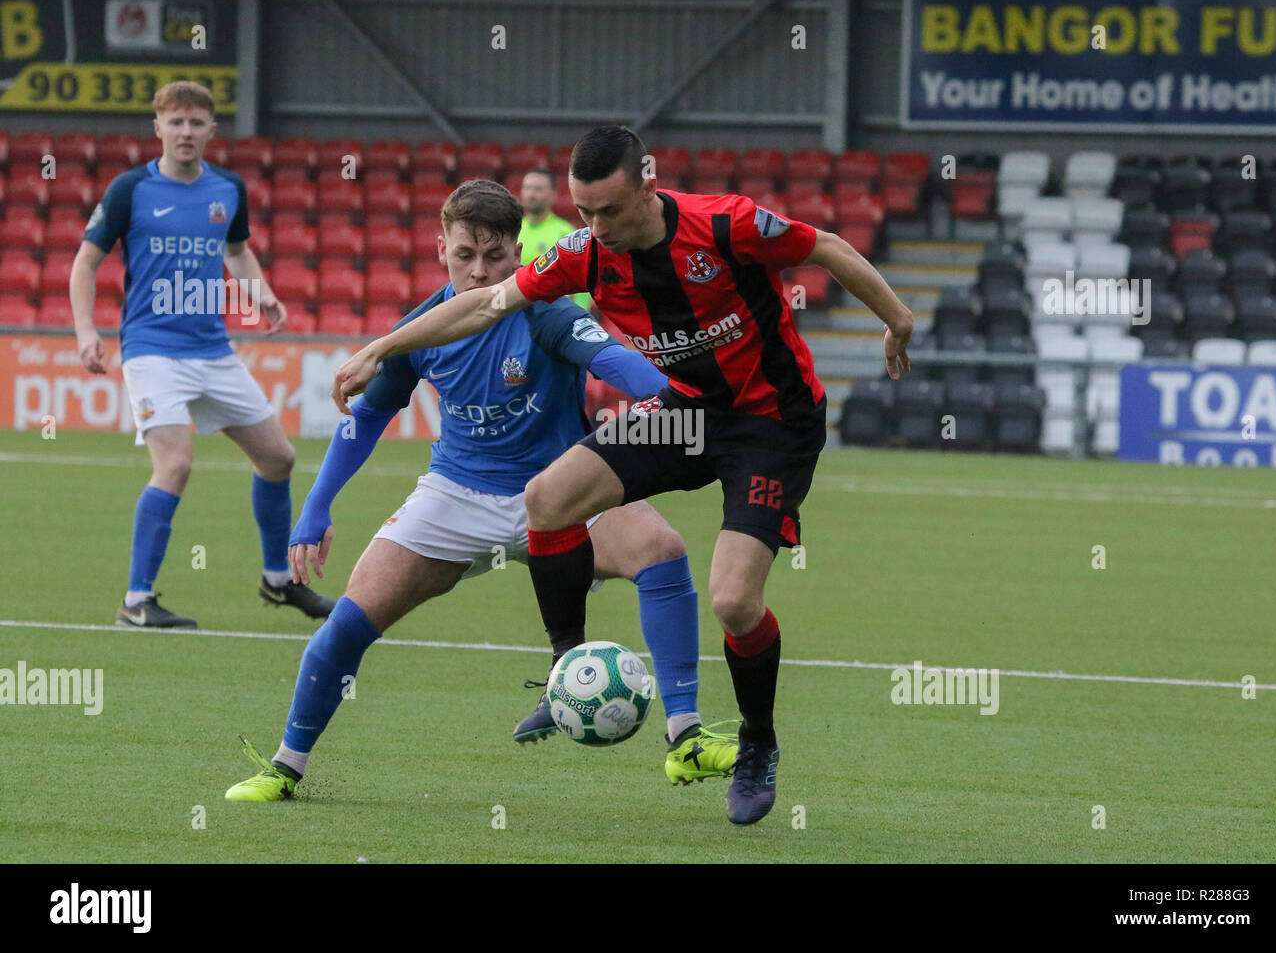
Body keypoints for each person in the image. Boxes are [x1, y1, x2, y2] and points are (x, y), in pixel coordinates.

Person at [331, 126, 914, 826]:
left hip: (770, 424)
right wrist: (382, 346)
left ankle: (757, 741)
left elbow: (826, 247)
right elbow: (486, 304)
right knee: (548, 497)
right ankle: (565, 668)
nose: (595, 227)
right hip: (687, 414)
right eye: (583, 213)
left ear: (649, 181)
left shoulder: (723, 225)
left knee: (733, 602)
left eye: (608, 210)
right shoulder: (584, 255)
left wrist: (898, 321)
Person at [225, 180, 736, 802]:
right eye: (465, 255)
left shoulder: (547, 312)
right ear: (441, 248)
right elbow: (365, 419)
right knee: (349, 621)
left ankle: (684, 739)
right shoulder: (422, 329)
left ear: (518, 254)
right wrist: (316, 505)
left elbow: (620, 367)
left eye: (495, 257)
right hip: (455, 496)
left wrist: (673, 397)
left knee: (661, 550)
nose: (479, 271)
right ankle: (285, 767)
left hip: (561, 491)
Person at [70, 80, 334, 628]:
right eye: (176, 121)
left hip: (212, 349)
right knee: (176, 464)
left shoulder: (228, 189)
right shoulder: (129, 189)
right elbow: (85, 262)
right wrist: (84, 332)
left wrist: (260, 292)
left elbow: (236, 252)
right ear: (158, 127)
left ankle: (278, 580)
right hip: (152, 349)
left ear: (212, 130)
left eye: (196, 123)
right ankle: (136, 601)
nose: (185, 132)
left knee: (278, 458)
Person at [517, 168, 593, 311]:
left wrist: (579, 313)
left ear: (553, 195)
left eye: (538, 189)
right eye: (527, 188)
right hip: (517, 313)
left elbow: (583, 278)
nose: (531, 194)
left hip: (554, 315)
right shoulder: (514, 230)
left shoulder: (566, 233)